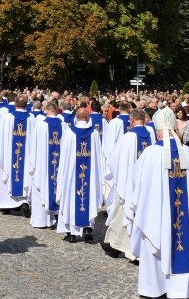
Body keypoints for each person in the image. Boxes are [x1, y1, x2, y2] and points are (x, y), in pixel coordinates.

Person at [128, 106, 189, 298]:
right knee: (180, 238)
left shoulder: (151, 153)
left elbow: (137, 181)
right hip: (182, 214)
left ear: (158, 132)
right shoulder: (186, 152)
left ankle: (153, 289)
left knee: (154, 244)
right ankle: (179, 290)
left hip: (156, 214)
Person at [104, 107, 152, 259]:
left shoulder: (128, 137)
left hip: (128, 184)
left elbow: (114, 159)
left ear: (131, 120)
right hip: (145, 184)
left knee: (123, 214)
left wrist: (117, 176)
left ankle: (118, 245)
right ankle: (139, 249)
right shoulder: (151, 135)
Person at [56, 107, 103, 242]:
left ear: (76, 118)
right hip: (89, 173)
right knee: (88, 195)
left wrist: (62, 174)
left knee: (71, 198)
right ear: (88, 117)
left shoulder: (69, 133)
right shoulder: (94, 134)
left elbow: (63, 155)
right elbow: (98, 156)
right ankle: (87, 228)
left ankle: (71, 233)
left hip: (72, 174)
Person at [0, 93, 34, 216]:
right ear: (26, 104)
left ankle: (7, 205)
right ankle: (24, 201)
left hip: (9, 155)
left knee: (8, 173)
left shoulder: (8, 117)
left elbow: (0, 137)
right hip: (27, 155)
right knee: (24, 175)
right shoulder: (31, 118)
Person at [27, 100, 70, 229]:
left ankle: (41, 221)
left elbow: (33, 146)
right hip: (59, 164)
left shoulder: (40, 126)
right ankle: (58, 215)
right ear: (56, 111)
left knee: (41, 187)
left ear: (46, 110)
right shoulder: (64, 126)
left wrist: (32, 162)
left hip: (43, 165)